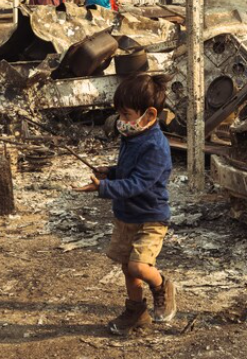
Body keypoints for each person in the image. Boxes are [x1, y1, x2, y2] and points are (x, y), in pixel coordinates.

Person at [75, 74, 176, 335]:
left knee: (139, 266)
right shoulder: (132, 136)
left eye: (126, 115)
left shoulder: (155, 146)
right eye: (119, 115)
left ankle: (162, 285)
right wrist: (110, 172)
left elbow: (139, 183)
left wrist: (104, 188)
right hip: (126, 216)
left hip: (151, 217)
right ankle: (137, 312)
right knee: (127, 269)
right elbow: (128, 171)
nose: (121, 122)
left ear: (150, 115)